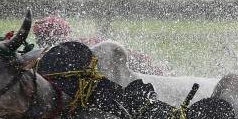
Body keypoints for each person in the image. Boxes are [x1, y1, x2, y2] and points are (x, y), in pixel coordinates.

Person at [32, 15, 169, 75]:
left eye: (43, 38)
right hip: (117, 61)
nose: (40, 41)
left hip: (121, 59)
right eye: (40, 38)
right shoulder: (53, 55)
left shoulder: (78, 46)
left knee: (143, 65)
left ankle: (166, 73)